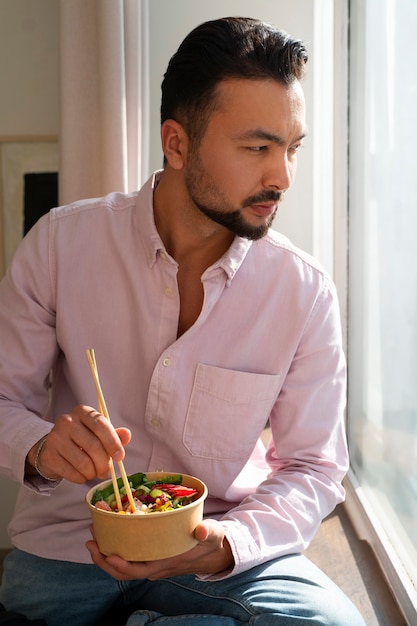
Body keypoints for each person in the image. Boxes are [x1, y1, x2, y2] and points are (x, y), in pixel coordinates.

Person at [0, 16, 365, 626]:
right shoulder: (62, 245)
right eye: (256, 148)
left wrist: (228, 545)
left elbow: (315, 467)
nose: (280, 176)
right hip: (68, 546)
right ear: (176, 143)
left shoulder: (302, 293)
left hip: (213, 548)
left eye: (290, 147)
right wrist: (40, 446)